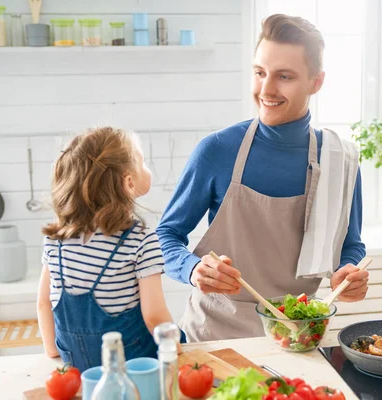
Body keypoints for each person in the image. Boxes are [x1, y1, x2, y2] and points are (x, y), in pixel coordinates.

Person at [157, 14, 369, 342]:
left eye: (284, 76)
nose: (266, 89)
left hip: (297, 335)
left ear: (316, 82)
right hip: (215, 334)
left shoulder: (340, 158)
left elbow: (350, 245)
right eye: (259, 73)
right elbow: (165, 237)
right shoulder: (217, 150)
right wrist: (192, 269)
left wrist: (348, 273)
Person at [37, 127, 181, 372]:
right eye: (143, 162)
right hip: (132, 365)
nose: (147, 168)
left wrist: (53, 350)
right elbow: (154, 316)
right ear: (129, 182)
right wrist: (178, 350)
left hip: (74, 364)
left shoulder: (57, 238)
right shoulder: (141, 240)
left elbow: (43, 303)